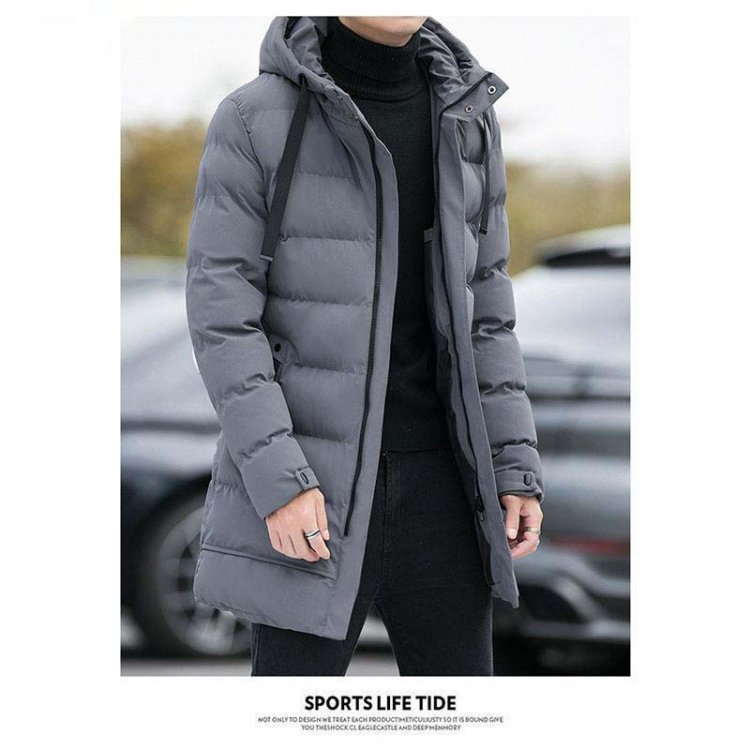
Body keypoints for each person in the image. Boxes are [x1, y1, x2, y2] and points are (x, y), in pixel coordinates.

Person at [185, 16, 544, 676]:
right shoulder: (254, 117)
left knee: (455, 718)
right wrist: (280, 481)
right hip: (313, 488)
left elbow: (488, 308)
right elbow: (223, 320)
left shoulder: (468, 117)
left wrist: (513, 460)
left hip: (446, 488)